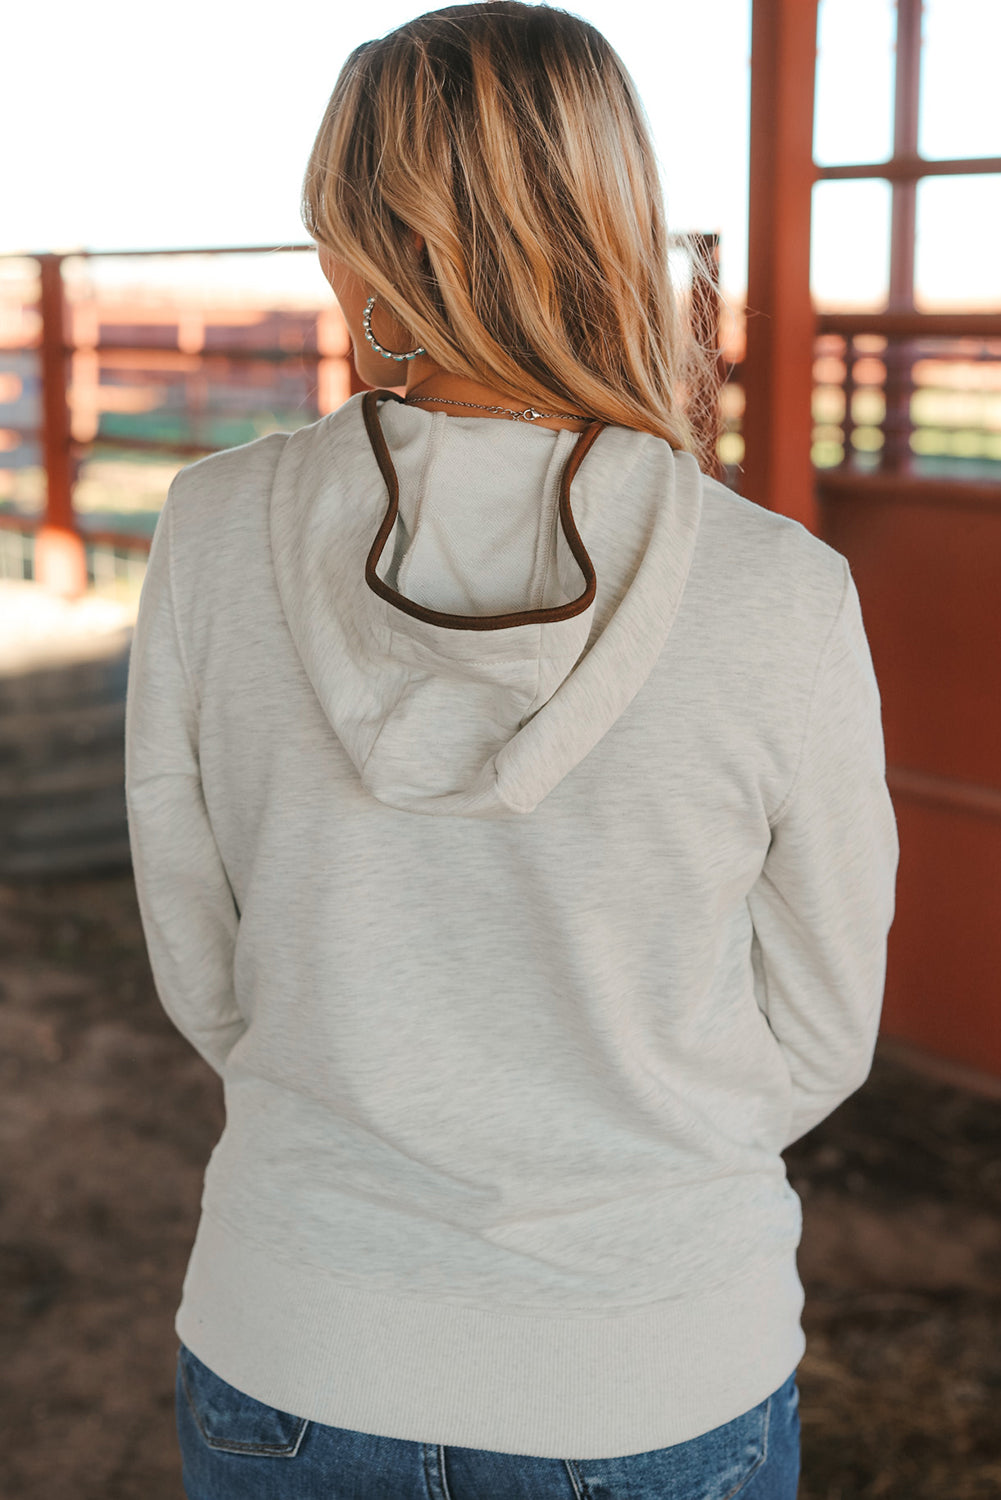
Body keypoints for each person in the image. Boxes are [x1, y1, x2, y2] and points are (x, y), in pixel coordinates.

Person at [124, 4, 899, 1497]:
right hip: (652, 1359)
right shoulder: (777, 588)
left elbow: (200, 960)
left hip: (296, 1334)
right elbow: (818, 1028)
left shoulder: (211, 534)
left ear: (358, 243)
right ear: (618, 223)